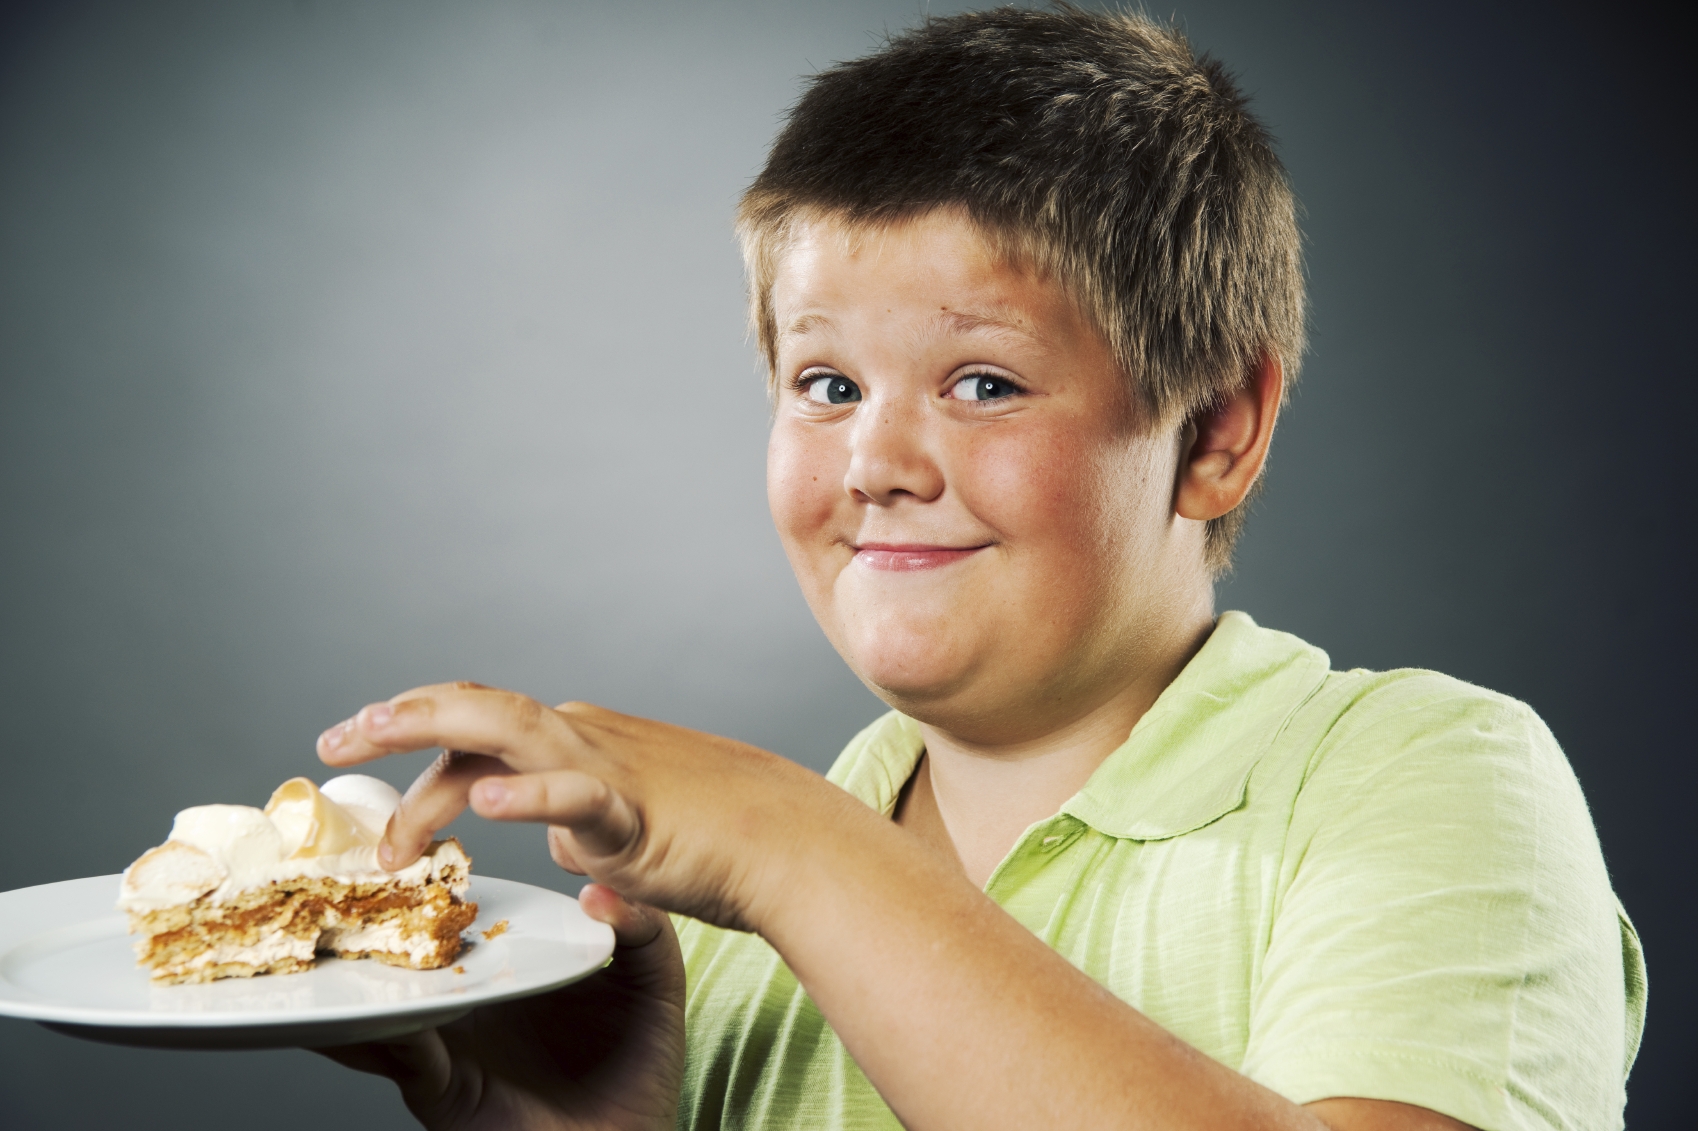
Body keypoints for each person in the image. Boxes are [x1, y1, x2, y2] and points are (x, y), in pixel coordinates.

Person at [313, 8, 1645, 1130]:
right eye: (824, 383)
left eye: (984, 382)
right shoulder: (737, 917)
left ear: (1217, 433)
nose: (877, 461)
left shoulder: (1426, 779)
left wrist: (798, 851)